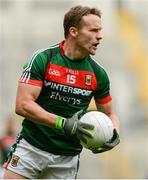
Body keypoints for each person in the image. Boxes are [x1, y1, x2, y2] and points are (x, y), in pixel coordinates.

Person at [3, 5, 120, 179]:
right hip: (31, 148)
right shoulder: (43, 59)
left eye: (100, 30)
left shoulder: (98, 73)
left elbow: (110, 113)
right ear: (73, 32)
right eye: (93, 30)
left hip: (67, 158)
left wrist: (114, 132)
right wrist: (62, 123)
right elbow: (23, 105)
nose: (100, 36)